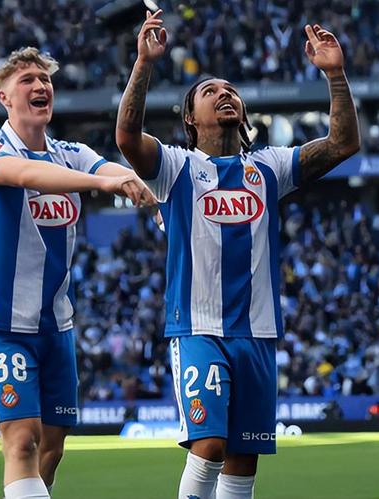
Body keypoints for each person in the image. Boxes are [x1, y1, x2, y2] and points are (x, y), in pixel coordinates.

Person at [116, 10, 360, 499]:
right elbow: (126, 138)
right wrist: (144, 63)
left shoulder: (270, 167)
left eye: (231, 90)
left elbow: (343, 143)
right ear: (190, 118)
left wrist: (335, 74)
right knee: (209, 445)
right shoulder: (176, 167)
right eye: (210, 91)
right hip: (199, 327)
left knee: (242, 461)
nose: (225, 93)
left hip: (258, 332)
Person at [0, 46, 153, 499]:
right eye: (27, 80)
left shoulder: (71, 153)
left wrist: (141, 186)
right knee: (21, 440)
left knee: (52, 447)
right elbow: (25, 174)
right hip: (5, 324)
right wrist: (104, 183)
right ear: (3, 96)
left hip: (56, 325)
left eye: (45, 79)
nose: (40, 86)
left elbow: (112, 168)